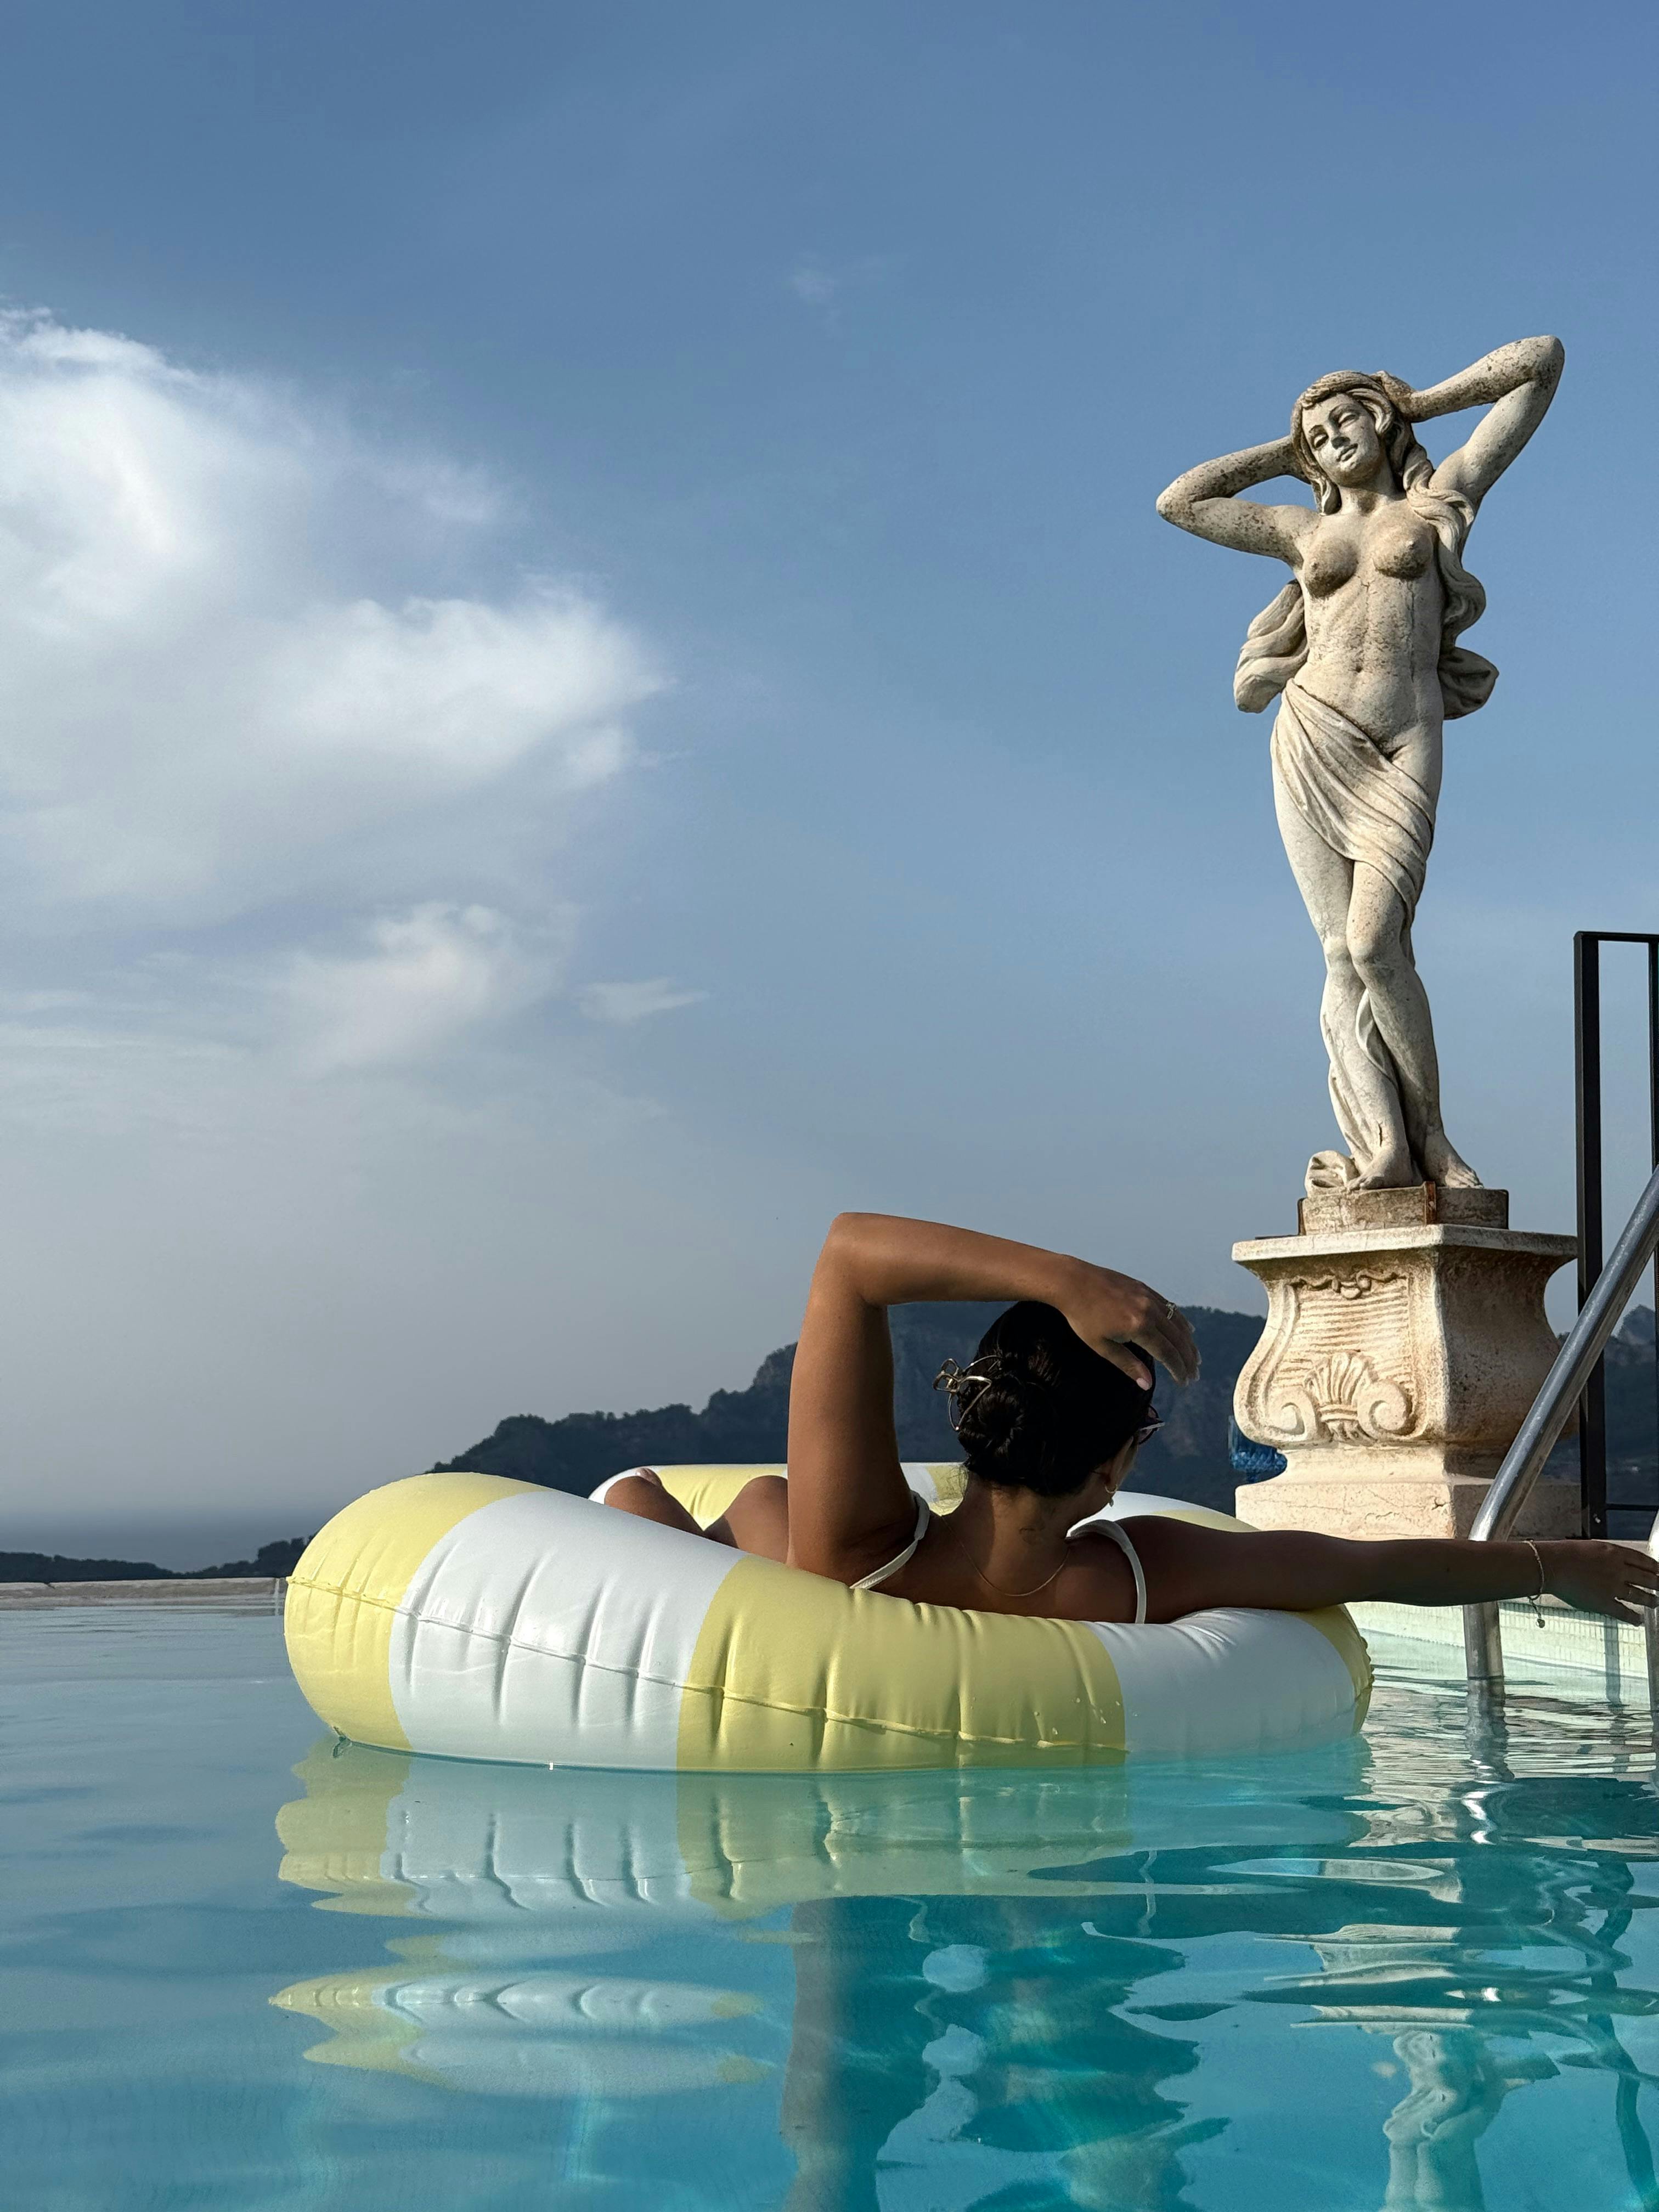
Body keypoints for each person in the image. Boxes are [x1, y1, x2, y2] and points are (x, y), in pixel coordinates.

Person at [605, 1212, 1657, 1626]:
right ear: (1114, 1469)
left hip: (786, 1552)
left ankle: (644, 1499)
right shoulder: (1139, 1575)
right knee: (726, 1506)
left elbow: (848, 1256)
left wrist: (1068, 1280)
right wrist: (1556, 1560)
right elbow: (1366, 1564)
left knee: (746, 1506)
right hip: (765, 1542)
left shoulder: (857, 1542)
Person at [1155, 338, 1564, 1193]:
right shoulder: (1300, 529)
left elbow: (1540, 364)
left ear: (1380, 420)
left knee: (1380, 943)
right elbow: (1181, 501)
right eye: (1320, 433)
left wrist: (1421, 402)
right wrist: (1290, 445)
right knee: (1341, 953)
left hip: (1404, 738)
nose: (1334, 437)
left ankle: (1435, 1139)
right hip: (1312, 735)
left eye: (1347, 419)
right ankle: (1387, 1150)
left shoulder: (1436, 503)